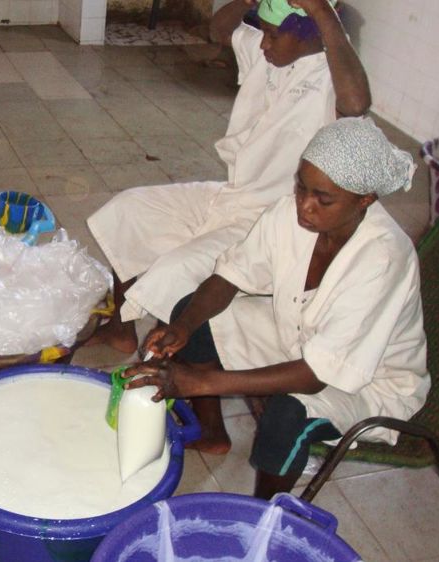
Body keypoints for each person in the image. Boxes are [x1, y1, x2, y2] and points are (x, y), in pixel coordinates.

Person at [86, 0, 370, 452]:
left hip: (276, 215)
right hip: (231, 193)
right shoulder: (269, 48)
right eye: (265, 32)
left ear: (310, 34)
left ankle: (211, 428)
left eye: (276, 35)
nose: (265, 42)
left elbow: (357, 103)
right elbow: (221, 28)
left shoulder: (329, 77)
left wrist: (320, 10)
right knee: (129, 210)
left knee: (179, 276)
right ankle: (122, 328)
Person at [123, 117, 431, 500]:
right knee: (194, 311)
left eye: (323, 198)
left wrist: (200, 381)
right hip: (299, 337)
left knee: (286, 415)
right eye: (302, 187)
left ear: (364, 199)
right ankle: (212, 431)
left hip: (366, 381)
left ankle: (263, 516)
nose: (304, 205)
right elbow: (229, 278)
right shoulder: (288, 215)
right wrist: (182, 326)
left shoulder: (381, 258)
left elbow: (317, 375)